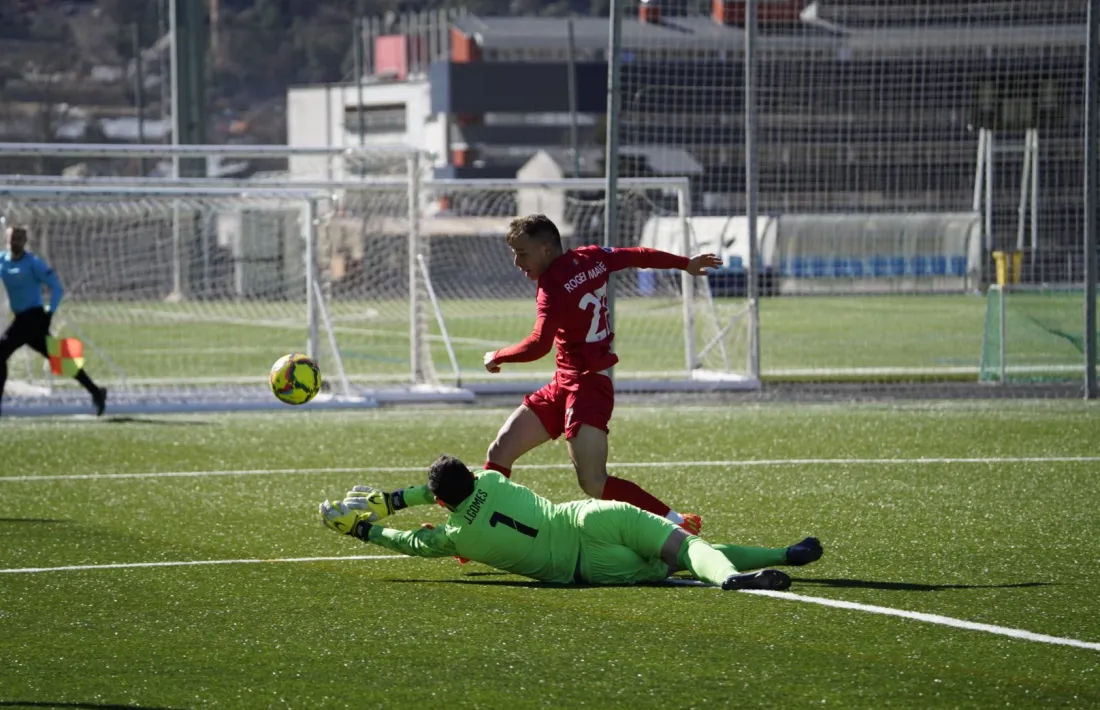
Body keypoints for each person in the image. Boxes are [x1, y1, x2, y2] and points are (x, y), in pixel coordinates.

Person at [479, 214, 723, 533]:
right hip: (563, 383)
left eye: (522, 253)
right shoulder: (592, 256)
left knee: (593, 482)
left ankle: (678, 523)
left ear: (547, 249)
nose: (516, 262)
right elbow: (638, 255)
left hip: (588, 386)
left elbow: (539, 345)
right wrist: (684, 263)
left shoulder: (552, 286)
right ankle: (480, 527)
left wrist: (497, 356)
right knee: (500, 451)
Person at [319, 455, 823, 591]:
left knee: (672, 565)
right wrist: (392, 497)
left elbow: (409, 542)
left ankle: (743, 572)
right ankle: (771, 558)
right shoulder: (492, 481)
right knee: (684, 546)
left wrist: (363, 528)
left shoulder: (456, 535)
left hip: (588, 569)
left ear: (440, 502)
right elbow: (438, 488)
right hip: (590, 518)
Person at [0, 225, 107, 418]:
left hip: (33, 317)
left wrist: (49, 313)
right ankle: (96, 391)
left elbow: (57, 287)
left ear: (25, 242)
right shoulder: (2, 260)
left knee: (0, 352)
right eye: (11, 239)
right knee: (60, 359)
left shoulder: (33, 263)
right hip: (23, 319)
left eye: (18, 239)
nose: (14, 243)